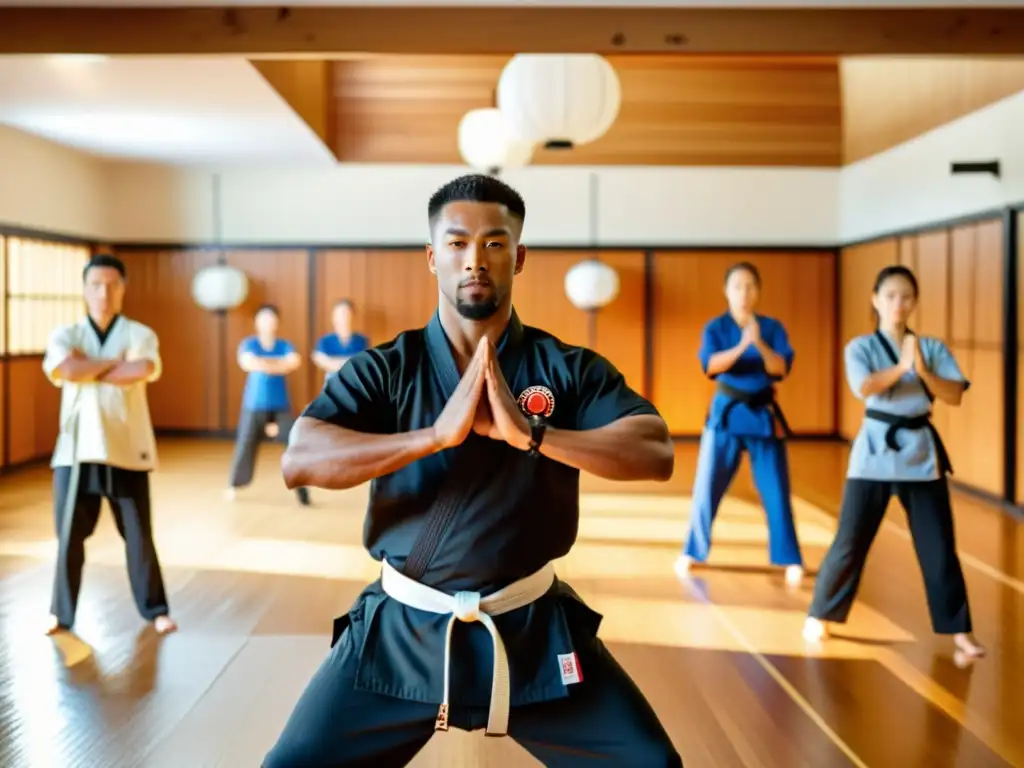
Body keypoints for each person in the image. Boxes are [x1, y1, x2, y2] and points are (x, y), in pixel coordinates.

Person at [262, 174, 682, 767]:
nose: (474, 260)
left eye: (493, 243)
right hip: (401, 632)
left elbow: (655, 450)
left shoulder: (563, 367)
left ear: (519, 255)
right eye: (457, 244)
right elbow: (300, 457)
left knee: (650, 764)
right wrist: (433, 437)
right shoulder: (388, 368)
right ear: (432, 258)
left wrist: (531, 434)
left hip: (532, 628)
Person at [803, 265, 985, 659]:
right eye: (890, 296)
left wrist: (923, 371)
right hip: (872, 456)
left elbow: (954, 394)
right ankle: (821, 613)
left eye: (906, 297)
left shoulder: (932, 349)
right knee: (850, 541)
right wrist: (904, 368)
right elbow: (863, 386)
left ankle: (960, 631)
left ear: (915, 302)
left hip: (921, 455)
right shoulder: (860, 348)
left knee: (939, 547)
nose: (898, 304)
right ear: (875, 300)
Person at [41, 253, 176, 636]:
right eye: (96, 285)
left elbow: (139, 370)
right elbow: (66, 369)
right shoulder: (65, 335)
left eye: (112, 284)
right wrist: (109, 363)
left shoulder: (139, 334)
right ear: (85, 289)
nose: (104, 292)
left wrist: (90, 366)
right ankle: (61, 615)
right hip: (74, 450)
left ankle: (156, 610)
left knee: (138, 535)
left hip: (127, 447)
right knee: (69, 537)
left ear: (123, 289)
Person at [674, 262, 803, 587]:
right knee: (707, 487)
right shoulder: (716, 327)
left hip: (762, 415)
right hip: (726, 416)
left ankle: (789, 558)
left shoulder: (771, 327)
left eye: (750, 286)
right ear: (726, 291)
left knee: (776, 490)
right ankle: (693, 551)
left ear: (758, 291)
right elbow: (710, 366)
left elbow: (780, 368)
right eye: (737, 287)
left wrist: (758, 342)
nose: (744, 293)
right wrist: (742, 345)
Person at [226, 304, 309, 505]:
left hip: (280, 404)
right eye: (263, 318)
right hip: (254, 404)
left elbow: (293, 363)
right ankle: (234, 485)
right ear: (257, 322)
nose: (268, 323)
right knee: (245, 444)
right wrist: (277, 365)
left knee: (293, 445)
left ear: (277, 323)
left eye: (272, 319)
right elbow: (248, 363)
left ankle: (302, 492)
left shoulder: (284, 344)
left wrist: (265, 365)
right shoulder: (249, 343)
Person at [311, 299, 370, 379]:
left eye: (345, 314)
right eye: (338, 315)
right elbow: (323, 363)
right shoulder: (325, 341)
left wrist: (334, 362)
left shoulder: (362, 340)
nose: (342, 319)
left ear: (353, 316)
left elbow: (363, 365)